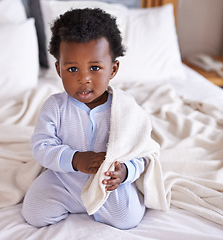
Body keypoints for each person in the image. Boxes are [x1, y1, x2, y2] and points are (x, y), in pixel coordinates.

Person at [22, 8, 146, 230]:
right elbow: (41, 147)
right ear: (59, 69)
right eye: (72, 69)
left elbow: (141, 152)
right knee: (34, 212)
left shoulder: (125, 108)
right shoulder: (55, 106)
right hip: (64, 180)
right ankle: (75, 203)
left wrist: (125, 172)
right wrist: (75, 159)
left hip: (107, 184)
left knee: (129, 218)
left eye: (95, 68)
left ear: (113, 69)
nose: (83, 79)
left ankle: (103, 202)